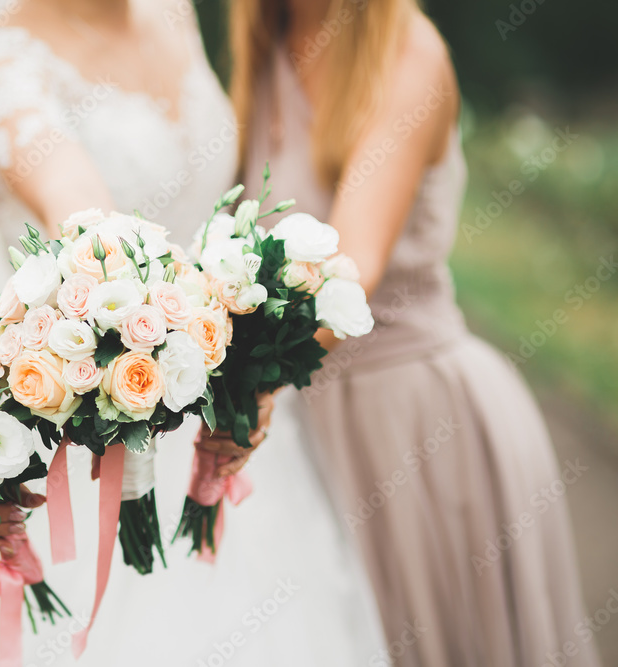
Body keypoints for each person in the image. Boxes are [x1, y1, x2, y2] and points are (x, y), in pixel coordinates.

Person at [0, 0, 389, 664]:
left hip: (225, 414)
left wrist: (249, 368)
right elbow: (82, 213)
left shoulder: (171, 13)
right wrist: (148, 311)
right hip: (88, 434)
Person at [232, 0, 600, 665]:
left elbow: (351, 267)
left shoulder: (409, 55)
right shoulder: (265, 50)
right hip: (307, 433)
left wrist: (234, 384)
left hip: (416, 424)